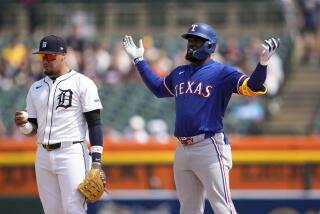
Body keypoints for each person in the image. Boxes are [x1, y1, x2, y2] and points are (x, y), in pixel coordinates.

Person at [123, 23, 280, 214]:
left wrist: (263, 63)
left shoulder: (222, 72)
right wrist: (139, 59)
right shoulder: (180, 72)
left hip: (209, 146)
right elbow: (158, 89)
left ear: (210, 45)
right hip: (182, 148)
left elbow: (252, 86)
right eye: (190, 40)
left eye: (196, 41)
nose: (191, 44)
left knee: (222, 207)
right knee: (188, 210)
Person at [14, 35, 106, 214]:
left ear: (63, 55)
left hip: (71, 152)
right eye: (42, 57)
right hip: (42, 154)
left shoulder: (82, 83)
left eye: (49, 56)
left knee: (74, 209)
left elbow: (95, 123)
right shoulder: (36, 88)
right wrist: (24, 125)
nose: (45, 61)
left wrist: (96, 162)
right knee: (51, 211)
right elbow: (33, 127)